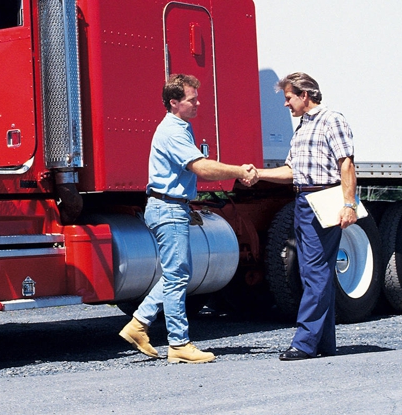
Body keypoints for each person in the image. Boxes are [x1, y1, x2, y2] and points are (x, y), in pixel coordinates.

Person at [119, 74, 257, 363]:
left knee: (176, 274)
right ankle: (179, 344)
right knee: (178, 275)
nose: (197, 103)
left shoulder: (181, 127)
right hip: (167, 208)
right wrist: (239, 171)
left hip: (171, 206)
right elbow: (201, 168)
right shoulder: (173, 131)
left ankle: (138, 324)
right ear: (174, 102)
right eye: (192, 99)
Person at [255, 72, 357, 360]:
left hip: (323, 198)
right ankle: (323, 342)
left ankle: (304, 342)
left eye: (289, 98)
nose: (286, 104)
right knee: (313, 272)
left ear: (304, 95)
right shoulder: (302, 129)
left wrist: (348, 204)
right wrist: (258, 174)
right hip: (302, 200)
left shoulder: (331, 120)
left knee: (314, 272)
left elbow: (346, 163)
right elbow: (292, 171)